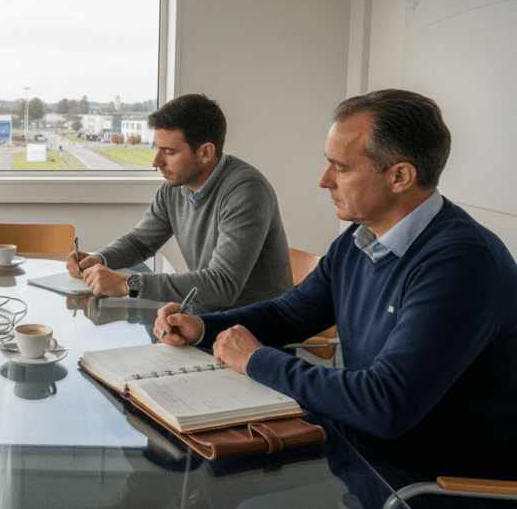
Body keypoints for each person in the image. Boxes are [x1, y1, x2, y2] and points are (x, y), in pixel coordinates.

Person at [155, 89, 517, 485]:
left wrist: (256, 359)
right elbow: (290, 312)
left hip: (423, 484)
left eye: (339, 167)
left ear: (399, 176)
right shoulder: (360, 238)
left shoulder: (461, 263)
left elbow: (384, 402)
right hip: (356, 452)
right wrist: (205, 328)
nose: (323, 179)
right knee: (193, 473)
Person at [67, 94, 293, 311]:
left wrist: (128, 283)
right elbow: (140, 242)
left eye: (169, 152)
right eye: (156, 148)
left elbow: (222, 285)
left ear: (205, 152)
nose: (156, 162)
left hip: (254, 330)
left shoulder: (246, 191)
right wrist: (100, 258)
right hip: (206, 317)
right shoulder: (174, 188)